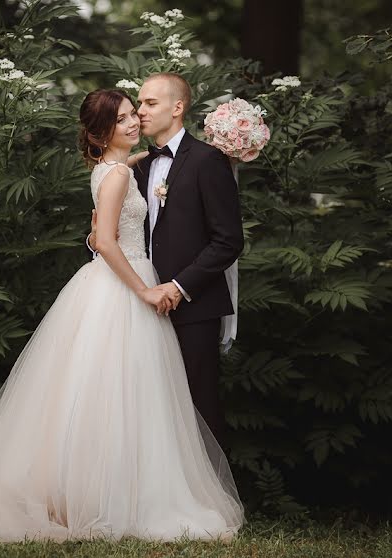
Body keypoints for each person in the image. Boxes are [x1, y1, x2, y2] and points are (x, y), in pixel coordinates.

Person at [0, 88, 245, 543]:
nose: (135, 121)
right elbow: (108, 239)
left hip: (138, 287)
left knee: (129, 396)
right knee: (118, 396)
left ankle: (122, 491)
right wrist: (144, 288)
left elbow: (139, 217)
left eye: (138, 112)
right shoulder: (117, 174)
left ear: (176, 107)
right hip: (129, 289)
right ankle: (108, 497)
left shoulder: (131, 167)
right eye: (126, 116)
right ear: (101, 130)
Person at [89, 73, 244, 449]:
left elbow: (229, 241)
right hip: (137, 303)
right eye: (138, 104)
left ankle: (210, 501)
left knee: (198, 403)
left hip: (192, 301)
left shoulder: (208, 161)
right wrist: (95, 240)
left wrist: (178, 286)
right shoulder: (134, 167)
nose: (140, 112)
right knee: (145, 407)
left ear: (178, 108)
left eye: (149, 104)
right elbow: (107, 232)